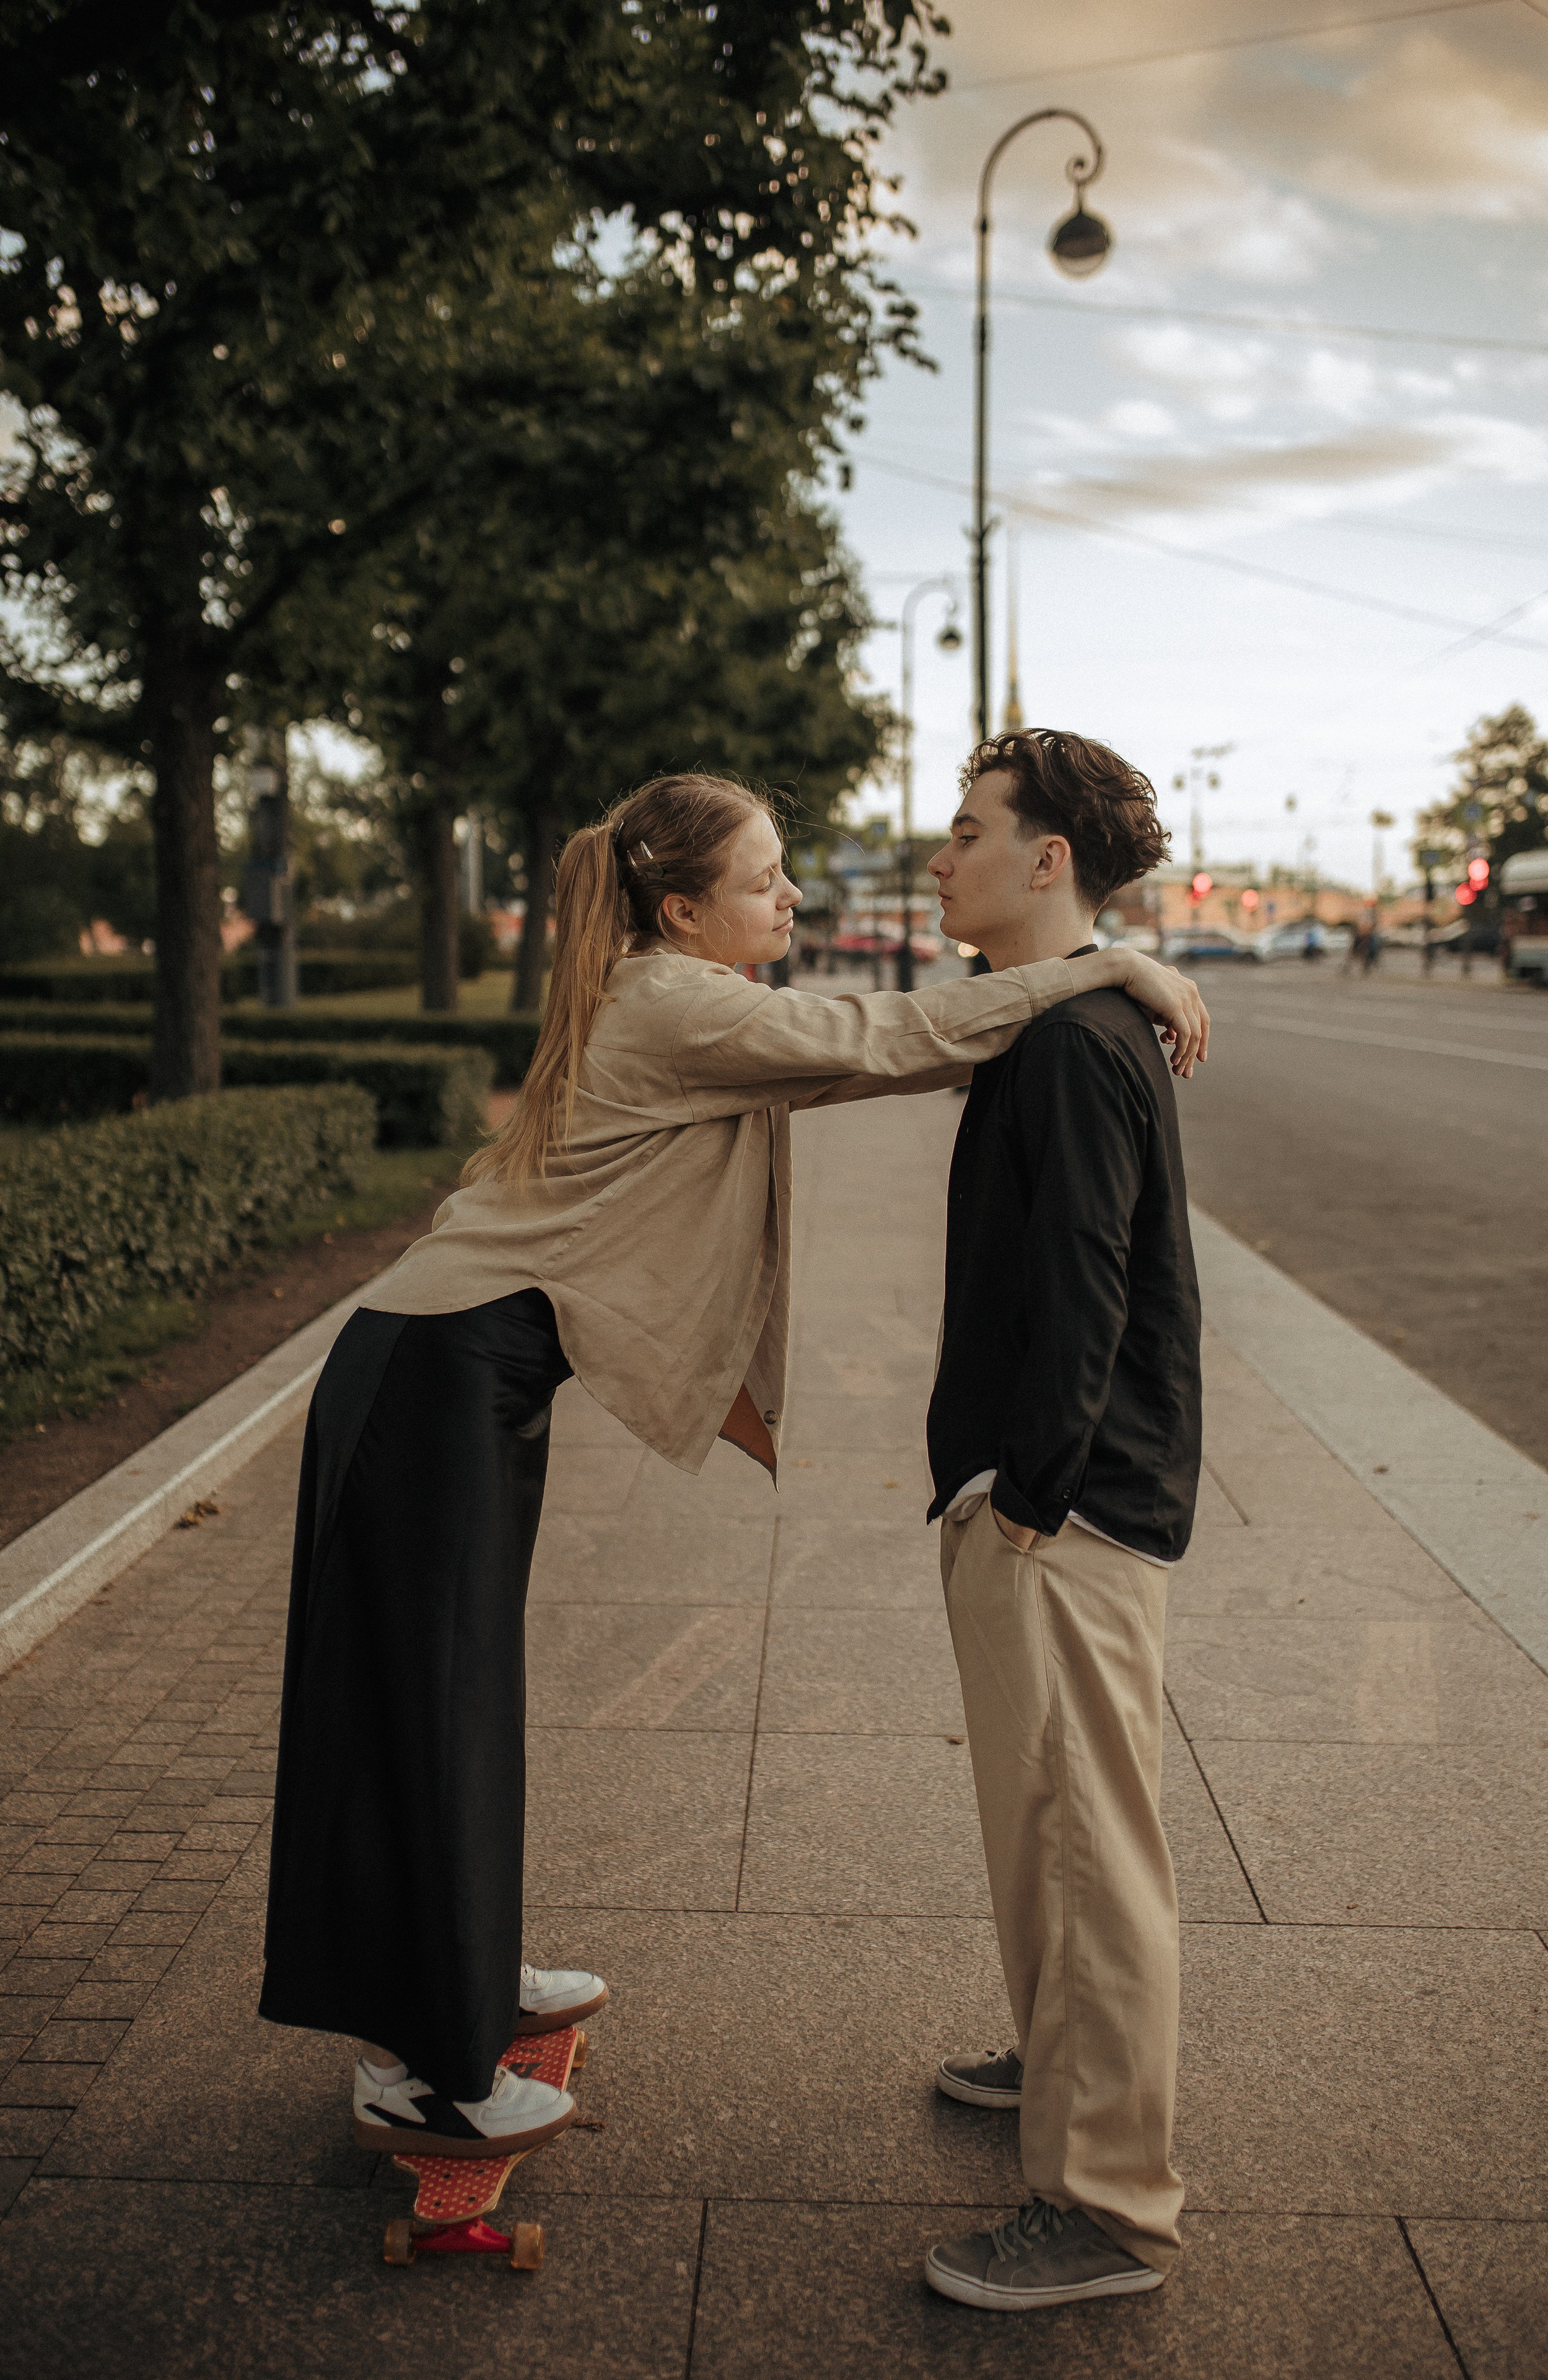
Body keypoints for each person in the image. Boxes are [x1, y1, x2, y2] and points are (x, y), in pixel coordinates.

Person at [258, 771, 1209, 2161]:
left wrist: (1066, 987)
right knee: (425, 1707)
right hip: (431, 1377)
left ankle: (457, 1972)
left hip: (453, 1377)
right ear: (685, 909)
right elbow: (884, 1030)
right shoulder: (670, 1000)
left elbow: (870, 1052)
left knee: (450, 1697)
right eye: (765, 882)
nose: (792, 899)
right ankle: (428, 2068)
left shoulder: (685, 999)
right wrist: (1105, 963)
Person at [919, 729, 1203, 2313]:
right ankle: (1056, 2063)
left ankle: (1104, 2207)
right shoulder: (1058, 1020)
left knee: (1090, 1845)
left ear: (1045, 863)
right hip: (1047, 1490)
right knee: (1048, 1822)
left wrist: (1028, 1490)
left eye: (966, 830)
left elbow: (1088, 1283)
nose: (937, 853)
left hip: (1071, 1507)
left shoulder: (1077, 1044)